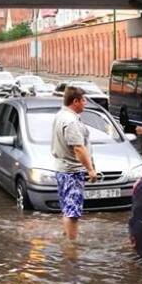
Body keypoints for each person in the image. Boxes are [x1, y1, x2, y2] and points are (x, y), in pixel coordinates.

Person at [51, 86, 97, 240]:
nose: (85, 103)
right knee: (73, 213)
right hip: (72, 172)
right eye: (83, 100)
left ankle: (67, 238)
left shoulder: (61, 115)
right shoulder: (70, 121)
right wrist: (90, 169)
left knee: (68, 209)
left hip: (63, 170)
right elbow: (78, 148)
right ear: (75, 101)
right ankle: (71, 248)